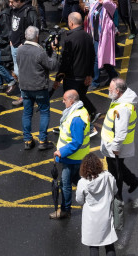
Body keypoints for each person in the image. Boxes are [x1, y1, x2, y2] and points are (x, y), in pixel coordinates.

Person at [51, 88, 91, 220]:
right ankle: (92, 199)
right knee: (77, 180)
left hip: (72, 157)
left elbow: (77, 141)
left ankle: (65, 210)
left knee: (65, 184)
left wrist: (61, 152)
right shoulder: (80, 111)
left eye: (64, 99)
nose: (62, 102)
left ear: (72, 100)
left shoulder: (76, 119)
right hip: (76, 156)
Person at [16, 25, 58, 149]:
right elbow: (52, 66)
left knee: (27, 113)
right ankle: (42, 140)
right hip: (39, 87)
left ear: (25, 36)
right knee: (44, 112)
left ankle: (27, 140)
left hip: (24, 87)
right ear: (37, 37)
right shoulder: (39, 52)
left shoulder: (19, 50)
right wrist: (54, 52)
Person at [100, 77, 138, 197]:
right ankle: (133, 181)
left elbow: (121, 131)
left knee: (115, 173)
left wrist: (115, 147)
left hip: (115, 146)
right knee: (118, 167)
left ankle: (117, 199)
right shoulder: (120, 100)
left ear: (118, 91)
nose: (108, 89)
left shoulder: (123, 109)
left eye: (111, 88)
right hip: (113, 144)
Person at [76, 152, 119, 255]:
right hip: (106, 216)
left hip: (91, 220)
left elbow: (79, 200)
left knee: (93, 247)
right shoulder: (107, 176)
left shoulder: (82, 182)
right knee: (109, 244)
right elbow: (115, 191)